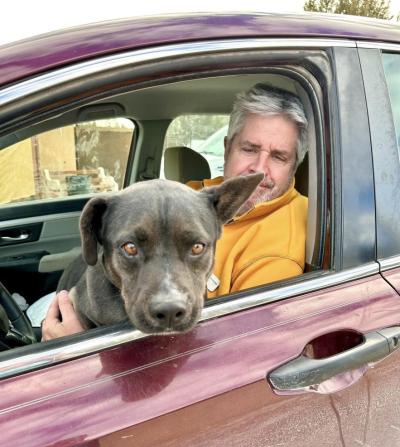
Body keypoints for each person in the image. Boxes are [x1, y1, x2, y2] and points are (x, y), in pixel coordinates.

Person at [41, 83, 308, 340]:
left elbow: (236, 347)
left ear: (295, 164)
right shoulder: (192, 196)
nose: (259, 170)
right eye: (249, 149)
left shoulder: (282, 246)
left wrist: (81, 348)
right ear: (227, 148)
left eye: (278, 156)